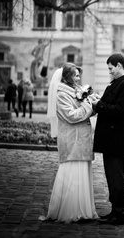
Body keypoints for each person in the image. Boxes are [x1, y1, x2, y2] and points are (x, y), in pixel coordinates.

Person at [39, 63, 99, 223]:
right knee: (73, 174)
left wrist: (95, 106)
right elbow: (71, 116)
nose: (78, 78)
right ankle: (71, 211)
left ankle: (83, 210)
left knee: (82, 174)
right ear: (66, 77)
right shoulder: (61, 94)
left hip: (81, 140)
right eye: (75, 75)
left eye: (79, 75)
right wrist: (88, 105)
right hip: (73, 140)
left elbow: (84, 112)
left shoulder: (76, 92)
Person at [94, 53, 124, 226]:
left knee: (116, 177)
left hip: (116, 139)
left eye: (111, 68)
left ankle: (119, 213)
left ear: (119, 65)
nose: (109, 72)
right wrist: (98, 101)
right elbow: (110, 103)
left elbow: (118, 110)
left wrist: (99, 105)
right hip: (111, 138)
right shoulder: (119, 83)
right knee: (112, 177)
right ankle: (115, 211)